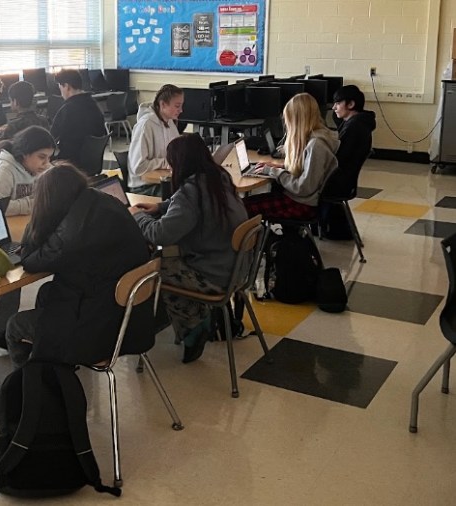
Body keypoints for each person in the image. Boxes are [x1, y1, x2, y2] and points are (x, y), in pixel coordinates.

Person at [5, 163, 152, 368]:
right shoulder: (105, 200)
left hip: (97, 333)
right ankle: (53, 365)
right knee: (47, 291)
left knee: (14, 326)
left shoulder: (69, 236)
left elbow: (30, 260)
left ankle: (32, 381)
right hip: (129, 320)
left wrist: (37, 220)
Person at [131, 134, 248, 363]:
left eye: (172, 164)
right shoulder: (218, 179)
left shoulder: (191, 193)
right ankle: (196, 316)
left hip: (214, 276)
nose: (170, 169)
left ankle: (193, 326)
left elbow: (160, 234)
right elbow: (187, 205)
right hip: (236, 269)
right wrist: (160, 207)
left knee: (153, 270)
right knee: (167, 258)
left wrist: (137, 216)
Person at [0, 125, 55, 350]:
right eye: (41, 157)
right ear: (24, 154)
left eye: (49, 158)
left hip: (19, 227)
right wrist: (30, 203)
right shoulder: (4, 170)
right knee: (13, 267)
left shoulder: (36, 168)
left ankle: (30, 327)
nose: (46, 163)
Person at [244, 93, 339, 221]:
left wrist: (275, 172)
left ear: (297, 121)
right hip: (297, 199)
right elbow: (305, 169)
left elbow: (303, 188)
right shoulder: (314, 137)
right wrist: (281, 166)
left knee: (242, 208)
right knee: (241, 205)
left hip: (301, 204)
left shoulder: (317, 146)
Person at [128, 84, 184, 195]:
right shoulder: (145, 125)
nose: (181, 110)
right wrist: (166, 162)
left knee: (193, 190)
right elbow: (138, 167)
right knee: (184, 196)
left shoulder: (169, 122)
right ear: (163, 104)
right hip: (144, 187)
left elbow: (177, 151)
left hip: (162, 180)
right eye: (177, 106)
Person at [326, 85, 376, 197]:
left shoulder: (354, 127)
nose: (334, 108)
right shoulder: (358, 122)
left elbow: (338, 158)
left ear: (351, 104)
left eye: (338, 103)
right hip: (345, 181)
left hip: (337, 183)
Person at [50, 69, 105, 169]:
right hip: (92, 163)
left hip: (70, 163)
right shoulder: (94, 105)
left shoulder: (67, 109)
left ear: (67, 86)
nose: (61, 93)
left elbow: (51, 138)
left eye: (60, 88)